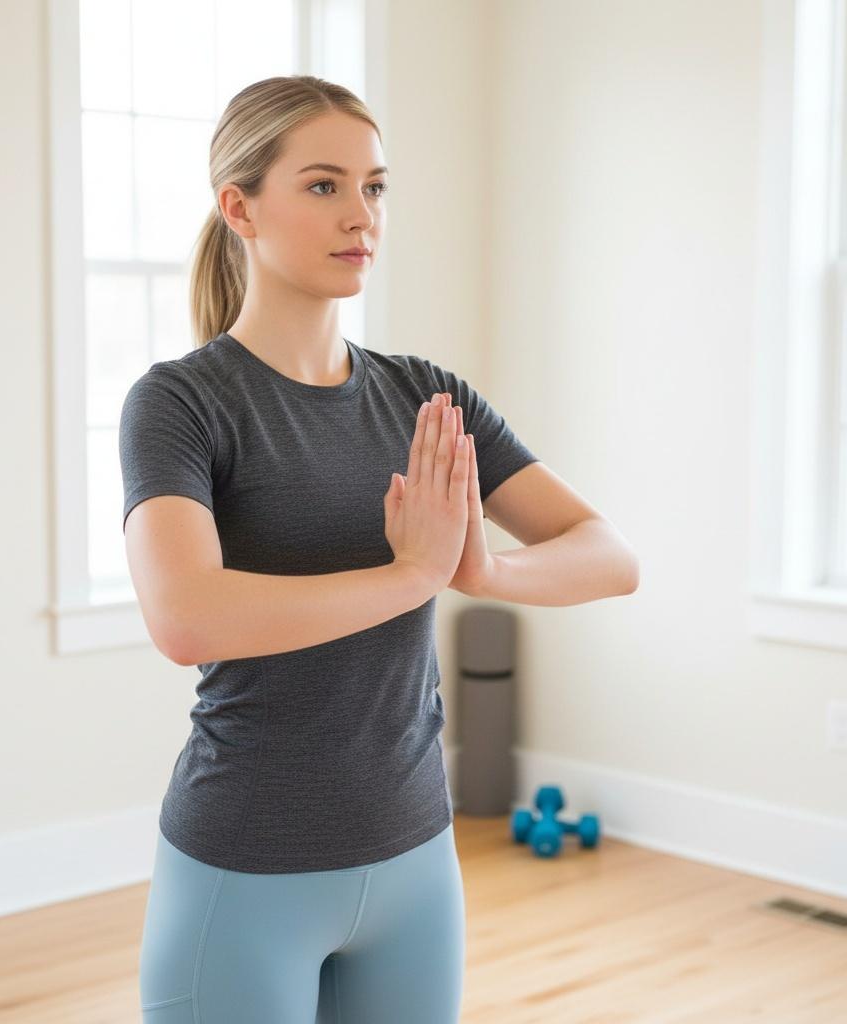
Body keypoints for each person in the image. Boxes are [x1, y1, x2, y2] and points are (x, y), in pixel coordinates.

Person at [119, 75, 542, 1024]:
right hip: (245, 869)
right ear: (240, 208)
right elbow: (185, 616)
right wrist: (410, 576)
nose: (362, 216)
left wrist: (481, 570)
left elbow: (609, 553)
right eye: (323, 186)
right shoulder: (181, 402)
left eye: (375, 187)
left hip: (417, 863)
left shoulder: (424, 395)